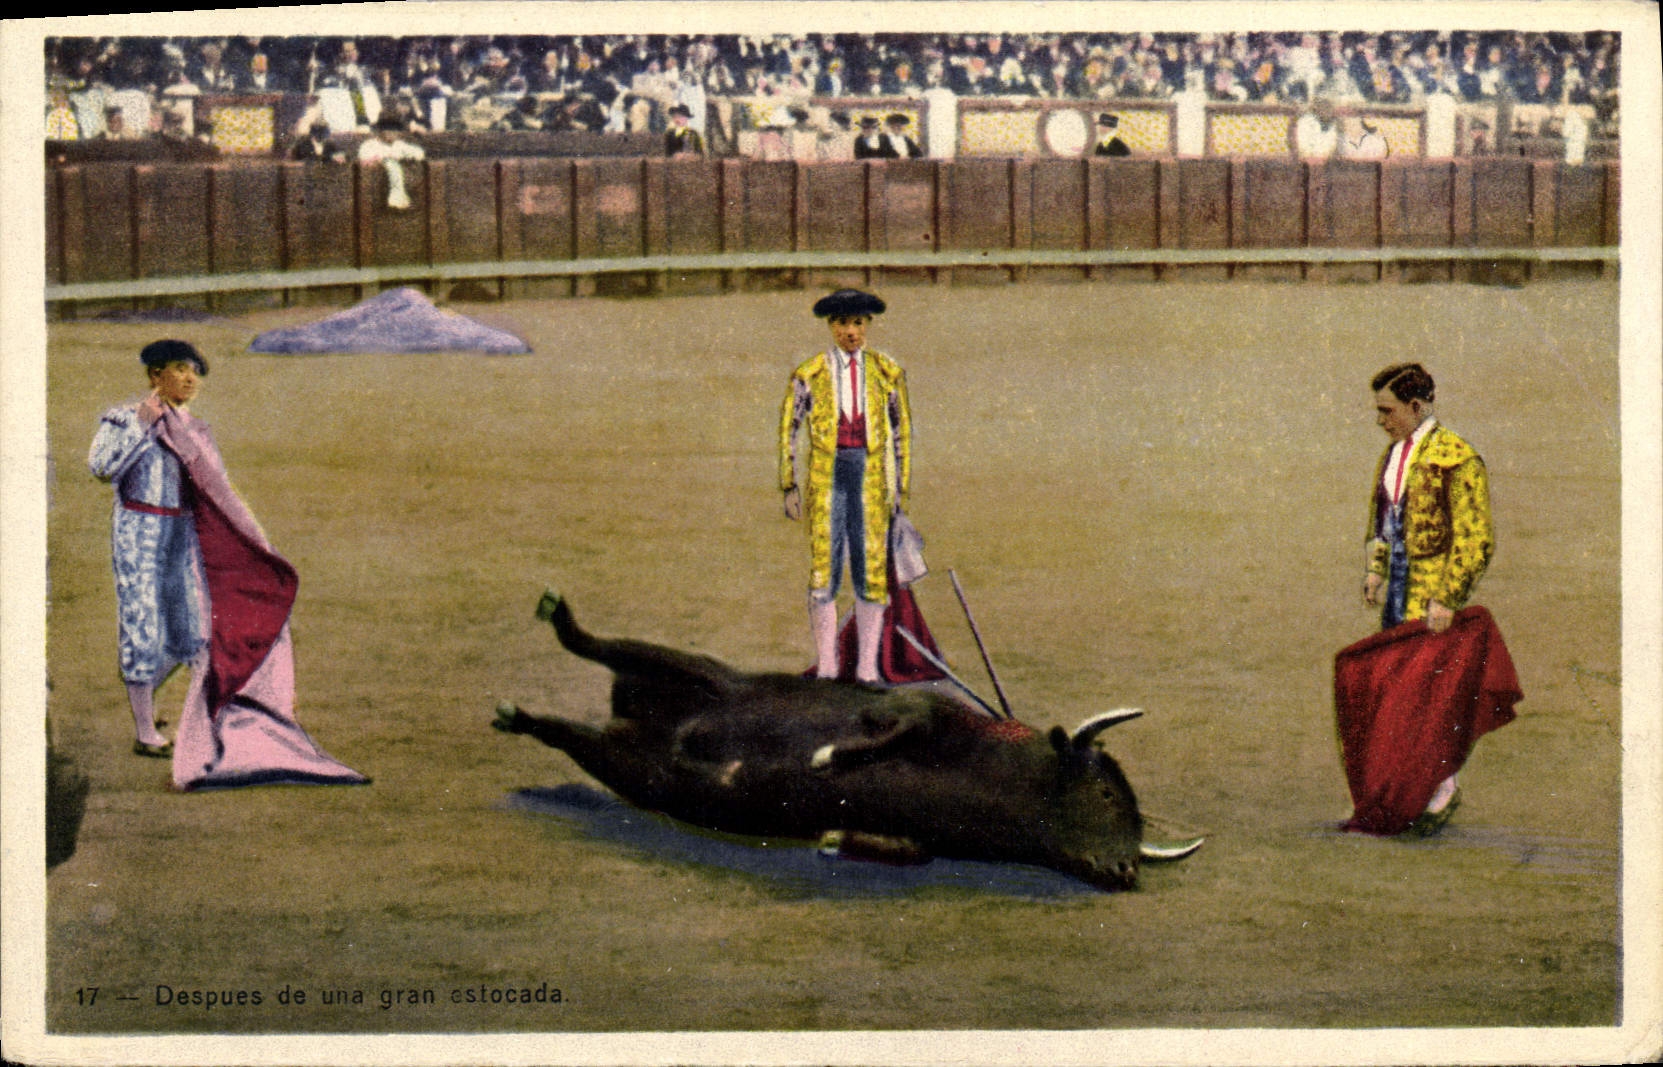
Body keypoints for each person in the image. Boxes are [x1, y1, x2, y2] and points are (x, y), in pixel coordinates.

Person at [88, 340, 367, 790]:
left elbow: (217, 491)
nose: (189, 379)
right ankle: (144, 731)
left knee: (191, 633)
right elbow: (100, 468)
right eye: (179, 370)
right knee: (141, 622)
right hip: (137, 528)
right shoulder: (122, 417)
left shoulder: (195, 429)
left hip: (181, 531)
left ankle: (148, 703)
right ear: (155, 375)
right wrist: (141, 427)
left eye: (194, 371)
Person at [1340, 362, 1504, 836]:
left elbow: (1476, 538)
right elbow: (1383, 522)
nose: (1380, 420)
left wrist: (1448, 597)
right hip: (1398, 594)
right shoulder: (1392, 456)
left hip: (1431, 599)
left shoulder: (1457, 456)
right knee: (1399, 691)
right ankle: (1409, 792)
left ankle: (1440, 791)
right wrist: (1375, 573)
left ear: (1415, 407)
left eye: (1387, 410)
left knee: (1431, 696)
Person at [778, 290, 912, 684]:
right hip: (826, 475)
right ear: (830, 326)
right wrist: (788, 483)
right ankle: (829, 666)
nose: (850, 332)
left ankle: (868, 668)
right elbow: (789, 427)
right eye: (842, 323)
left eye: (857, 322)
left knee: (870, 568)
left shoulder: (888, 371)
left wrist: (900, 486)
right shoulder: (810, 372)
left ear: (868, 324)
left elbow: (901, 431)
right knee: (825, 569)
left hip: (870, 476)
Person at [357, 113, 425, 210]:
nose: (392, 134)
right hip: (376, 182)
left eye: (395, 131)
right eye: (388, 130)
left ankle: (399, 199)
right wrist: (382, 158)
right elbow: (364, 157)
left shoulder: (399, 144)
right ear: (380, 132)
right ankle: (395, 200)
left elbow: (419, 153)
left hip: (398, 179)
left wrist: (404, 157)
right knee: (391, 164)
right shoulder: (370, 144)